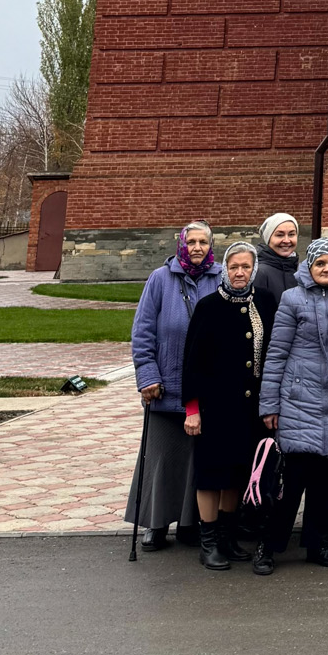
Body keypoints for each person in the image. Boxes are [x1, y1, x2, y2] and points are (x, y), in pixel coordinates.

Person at [255, 238, 328, 572]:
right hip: (299, 401)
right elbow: (276, 354)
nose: (327, 269)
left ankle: (317, 544)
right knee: (290, 484)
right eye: (321, 264)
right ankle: (269, 547)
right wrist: (269, 404)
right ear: (310, 266)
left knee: (324, 483)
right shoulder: (292, 299)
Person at [126, 222, 221, 550]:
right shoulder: (160, 279)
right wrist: (147, 376)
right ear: (181, 244)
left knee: (196, 462)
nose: (197, 247)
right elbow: (142, 331)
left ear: (211, 245)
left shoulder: (220, 278)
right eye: (191, 241)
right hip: (165, 386)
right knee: (161, 460)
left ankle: (189, 523)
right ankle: (156, 523)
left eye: (203, 242)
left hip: (205, 390)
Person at [179, 237, 263, 570]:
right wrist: (192, 409)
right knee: (211, 474)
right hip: (214, 409)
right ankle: (209, 541)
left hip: (248, 409)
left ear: (254, 269)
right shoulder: (209, 307)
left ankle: (228, 537)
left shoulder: (264, 302)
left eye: (246, 266)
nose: (240, 272)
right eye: (234, 267)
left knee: (237, 472)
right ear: (224, 270)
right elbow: (192, 363)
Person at [253, 212, 300, 339]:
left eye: (291, 234)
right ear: (269, 238)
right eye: (280, 235)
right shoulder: (260, 272)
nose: (287, 240)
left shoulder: (301, 271)